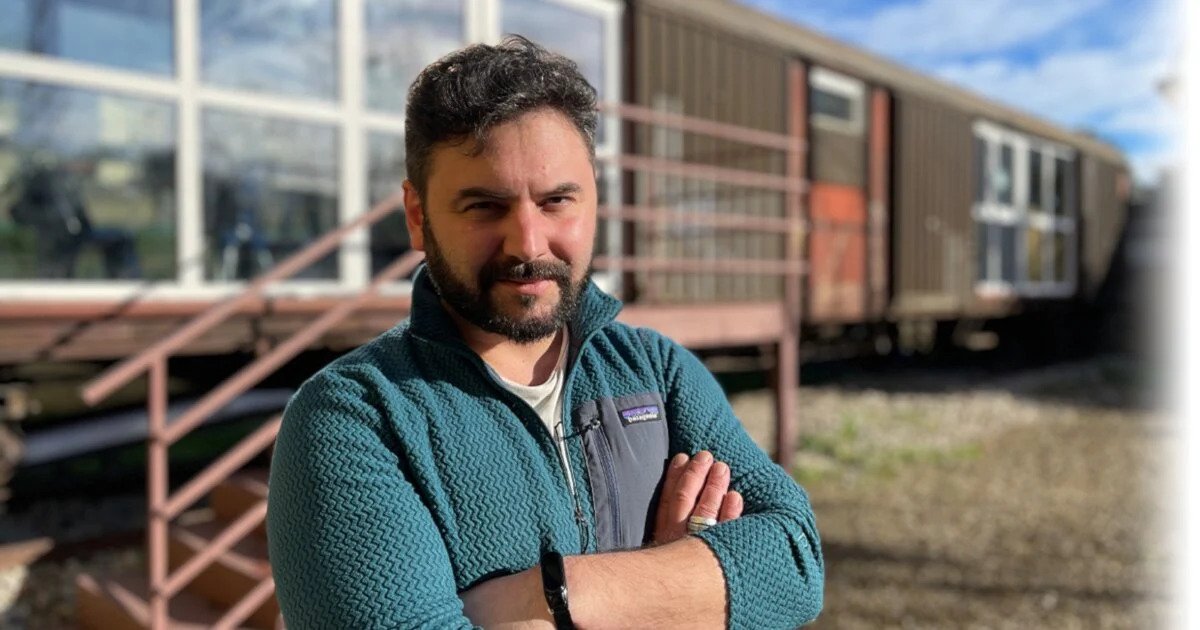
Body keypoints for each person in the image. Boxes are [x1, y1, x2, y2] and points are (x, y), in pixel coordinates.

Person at [267, 36, 823, 629]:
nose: (528, 244)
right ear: (418, 216)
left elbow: (796, 563)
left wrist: (551, 596)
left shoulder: (656, 371)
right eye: (485, 206)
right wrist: (681, 589)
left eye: (557, 200)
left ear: (594, 201)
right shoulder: (357, 416)